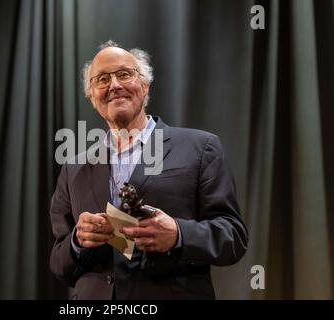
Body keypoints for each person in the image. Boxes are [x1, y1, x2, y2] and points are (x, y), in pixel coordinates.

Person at [49, 40, 248, 300]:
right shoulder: (73, 168)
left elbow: (233, 237)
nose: (115, 85)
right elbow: (58, 262)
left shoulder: (200, 147)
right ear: (92, 96)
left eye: (124, 74)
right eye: (102, 79)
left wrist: (178, 234)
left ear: (145, 85)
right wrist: (78, 240)